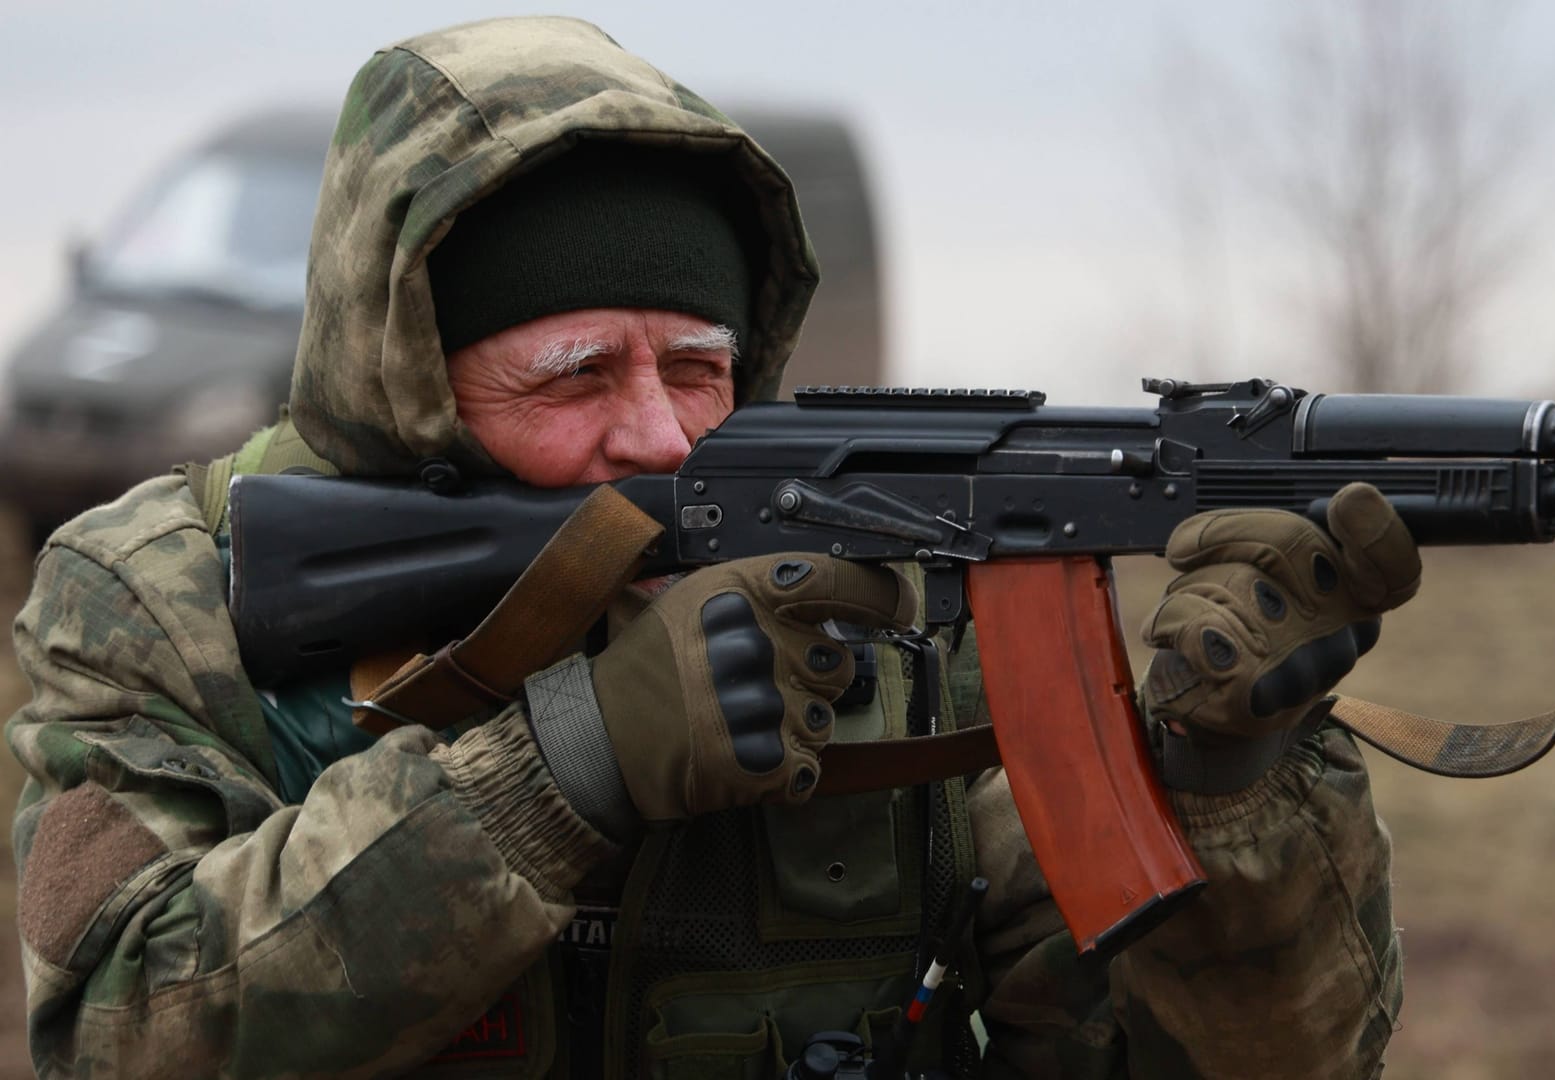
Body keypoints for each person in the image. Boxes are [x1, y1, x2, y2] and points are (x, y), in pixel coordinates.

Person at [7, 17, 1416, 1079]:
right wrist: (568, 766)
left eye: (699, 367)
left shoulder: (899, 602)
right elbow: (118, 1028)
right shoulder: (162, 596)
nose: (660, 437)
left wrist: (1225, 799)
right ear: (413, 377)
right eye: (573, 376)